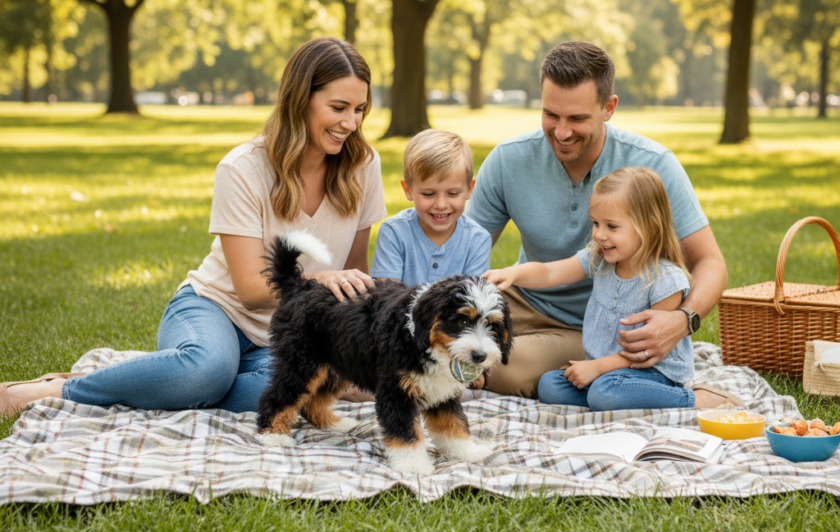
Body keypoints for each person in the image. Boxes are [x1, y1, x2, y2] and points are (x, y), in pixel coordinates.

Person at [0, 37, 387, 416]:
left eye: (359, 109)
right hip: (217, 310)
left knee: (284, 390)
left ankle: (161, 381)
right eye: (338, 107)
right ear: (301, 99)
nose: (350, 123)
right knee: (207, 369)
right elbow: (251, 290)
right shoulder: (243, 168)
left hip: (293, 332)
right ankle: (62, 388)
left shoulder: (363, 167)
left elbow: (354, 274)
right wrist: (318, 282)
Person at [465, 40, 728, 399]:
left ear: (609, 108)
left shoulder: (654, 165)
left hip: (596, 327)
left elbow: (710, 262)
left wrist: (683, 321)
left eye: (577, 118)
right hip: (525, 300)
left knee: (493, 364)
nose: (561, 132)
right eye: (550, 115)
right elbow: (465, 250)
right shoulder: (508, 160)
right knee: (442, 343)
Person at [484, 167, 740, 410]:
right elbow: (552, 272)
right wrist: (513, 273)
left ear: (648, 227)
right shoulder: (601, 259)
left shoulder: (665, 280)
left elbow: (647, 351)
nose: (598, 235)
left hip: (651, 374)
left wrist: (596, 368)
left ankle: (693, 399)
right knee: (550, 385)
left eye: (612, 226)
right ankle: (608, 396)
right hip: (606, 372)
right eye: (596, 223)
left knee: (604, 392)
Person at [370, 128, 491, 285]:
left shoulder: (478, 239)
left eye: (453, 193)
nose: (441, 205)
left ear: (469, 189)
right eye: (428, 194)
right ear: (408, 190)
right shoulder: (394, 231)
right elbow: (387, 298)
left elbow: (471, 301)